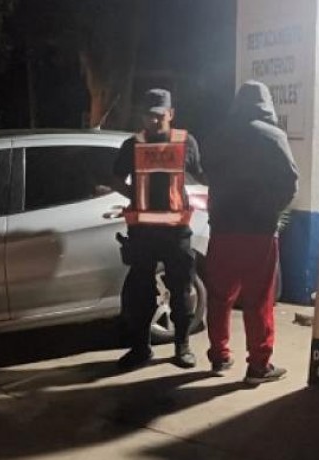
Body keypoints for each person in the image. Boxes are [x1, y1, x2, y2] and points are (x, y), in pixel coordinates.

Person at [202, 80, 298, 385]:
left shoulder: (219, 135)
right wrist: (271, 210)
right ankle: (258, 365)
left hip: (222, 228)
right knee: (259, 299)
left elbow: (206, 172)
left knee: (220, 296)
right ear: (266, 103)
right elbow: (290, 181)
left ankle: (219, 356)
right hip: (258, 231)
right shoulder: (273, 136)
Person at [110, 88, 205, 371]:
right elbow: (115, 179)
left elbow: (201, 174)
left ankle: (182, 347)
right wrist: (136, 196)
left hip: (176, 231)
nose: (152, 121)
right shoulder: (132, 145)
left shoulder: (186, 142)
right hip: (143, 232)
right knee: (140, 293)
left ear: (171, 114)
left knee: (181, 291)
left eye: (158, 116)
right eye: (147, 115)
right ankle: (141, 349)